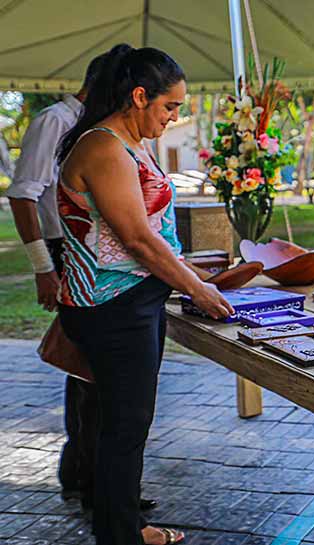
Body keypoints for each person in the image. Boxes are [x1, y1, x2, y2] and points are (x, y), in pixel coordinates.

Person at [56, 43, 234, 545]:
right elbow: (135, 239)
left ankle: (121, 520)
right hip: (112, 307)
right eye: (169, 107)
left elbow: (150, 229)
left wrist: (186, 270)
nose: (174, 118)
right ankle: (122, 535)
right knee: (125, 427)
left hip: (132, 301)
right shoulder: (104, 147)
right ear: (138, 96)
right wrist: (194, 286)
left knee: (120, 422)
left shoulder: (130, 140)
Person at [6, 53, 159, 516]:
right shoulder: (59, 122)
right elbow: (23, 193)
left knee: (99, 382)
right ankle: (91, 484)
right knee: (89, 375)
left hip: (102, 257)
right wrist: (42, 266)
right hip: (69, 251)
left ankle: (94, 482)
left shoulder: (113, 132)